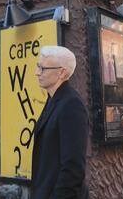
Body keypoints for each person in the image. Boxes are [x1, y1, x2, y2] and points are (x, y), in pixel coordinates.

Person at [31, 46, 89, 199]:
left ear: (61, 73)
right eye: (38, 66)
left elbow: (73, 167)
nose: (36, 72)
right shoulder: (54, 100)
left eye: (42, 68)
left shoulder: (71, 105)